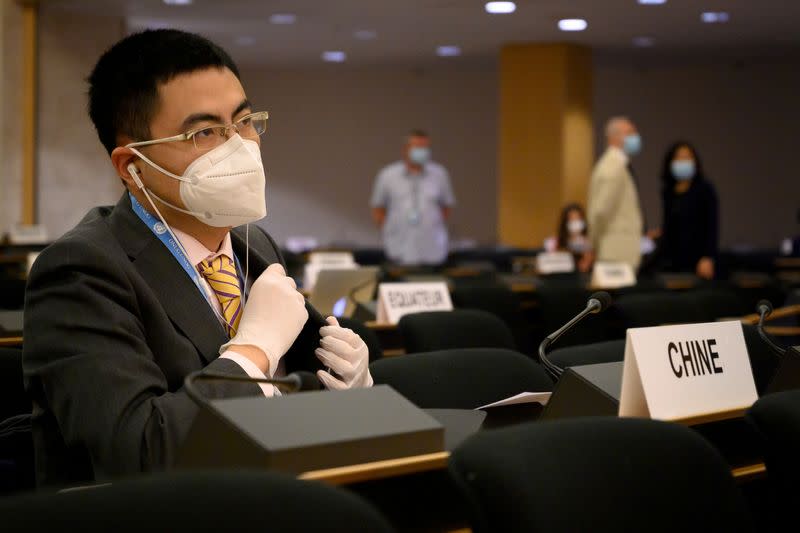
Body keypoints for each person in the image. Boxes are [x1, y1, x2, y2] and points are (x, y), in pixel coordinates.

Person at [22, 29, 372, 487]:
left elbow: (296, 394)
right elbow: (142, 452)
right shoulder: (79, 271)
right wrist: (253, 353)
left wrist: (352, 386)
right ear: (133, 166)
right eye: (204, 132)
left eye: (245, 122)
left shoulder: (255, 245)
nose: (238, 146)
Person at [370, 130, 456, 266]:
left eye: (425, 148)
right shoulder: (387, 175)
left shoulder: (440, 174)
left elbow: (446, 207)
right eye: (417, 147)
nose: (422, 151)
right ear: (406, 150)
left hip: (433, 250)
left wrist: (431, 223)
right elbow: (378, 208)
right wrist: (390, 228)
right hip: (399, 248)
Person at [587, 116, 645, 271]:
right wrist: (593, 245)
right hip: (616, 252)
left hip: (618, 251)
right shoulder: (613, 165)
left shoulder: (618, 164)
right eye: (630, 132)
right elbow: (600, 212)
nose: (636, 137)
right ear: (614, 137)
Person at [657, 141, 719, 280]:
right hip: (673, 259)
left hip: (698, 258)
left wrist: (708, 257)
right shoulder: (668, 192)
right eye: (679, 158)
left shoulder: (705, 189)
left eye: (687, 158)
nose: (683, 162)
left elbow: (712, 225)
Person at [544, 203, 594, 272]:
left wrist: (584, 248)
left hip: (576, 279)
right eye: (572, 219)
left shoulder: (586, 244)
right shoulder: (553, 241)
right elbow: (550, 264)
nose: (575, 223)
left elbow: (584, 267)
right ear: (565, 222)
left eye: (578, 219)